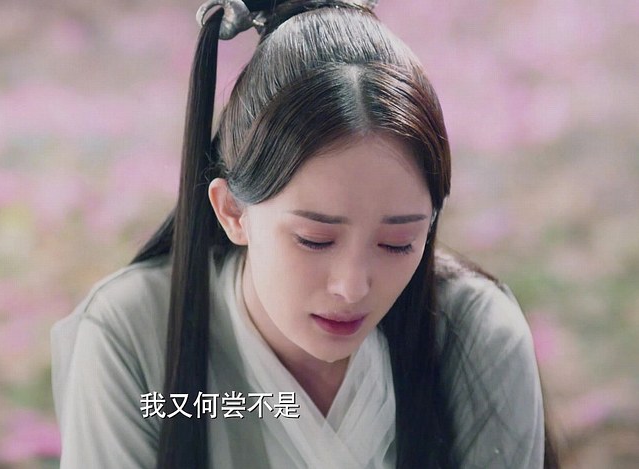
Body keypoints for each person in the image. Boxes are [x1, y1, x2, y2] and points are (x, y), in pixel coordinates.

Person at [51, 0, 560, 467]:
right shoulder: (131, 334)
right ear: (232, 211)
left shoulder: (474, 333)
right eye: (315, 239)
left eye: (397, 243)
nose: (352, 287)